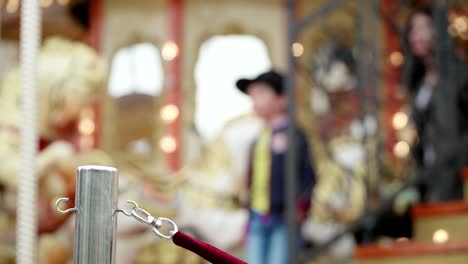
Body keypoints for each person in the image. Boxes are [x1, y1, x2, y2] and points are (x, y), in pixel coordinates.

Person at [236, 70, 316, 264]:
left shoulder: (294, 135)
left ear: (282, 99)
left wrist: (300, 207)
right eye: (253, 95)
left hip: (284, 217)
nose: (255, 100)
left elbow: (307, 174)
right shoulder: (259, 138)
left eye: (262, 93)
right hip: (258, 215)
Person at [403, 7, 468, 202]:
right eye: (413, 29)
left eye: (424, 27)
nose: (417, 35)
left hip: (458, 176)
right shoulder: (420, 83)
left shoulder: (459, 76)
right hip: (430, 177)